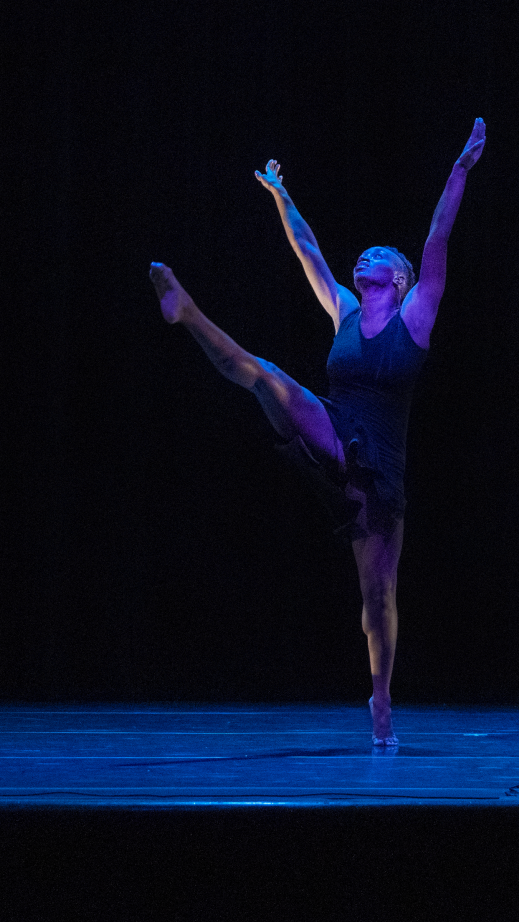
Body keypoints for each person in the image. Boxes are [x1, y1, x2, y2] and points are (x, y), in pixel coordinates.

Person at [148, 118, 487, 747]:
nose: (364, 257)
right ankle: (187, 314)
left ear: (402, 278)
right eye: (363, 255)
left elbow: (439, 233)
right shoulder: (346, 311)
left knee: (378, 600)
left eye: (379, 255)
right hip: (332, 431)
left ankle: (381, 698)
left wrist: (461, 168)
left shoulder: (416, 316)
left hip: (377, 475)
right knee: (267, 377)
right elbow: (308, 250)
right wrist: (282, 196)